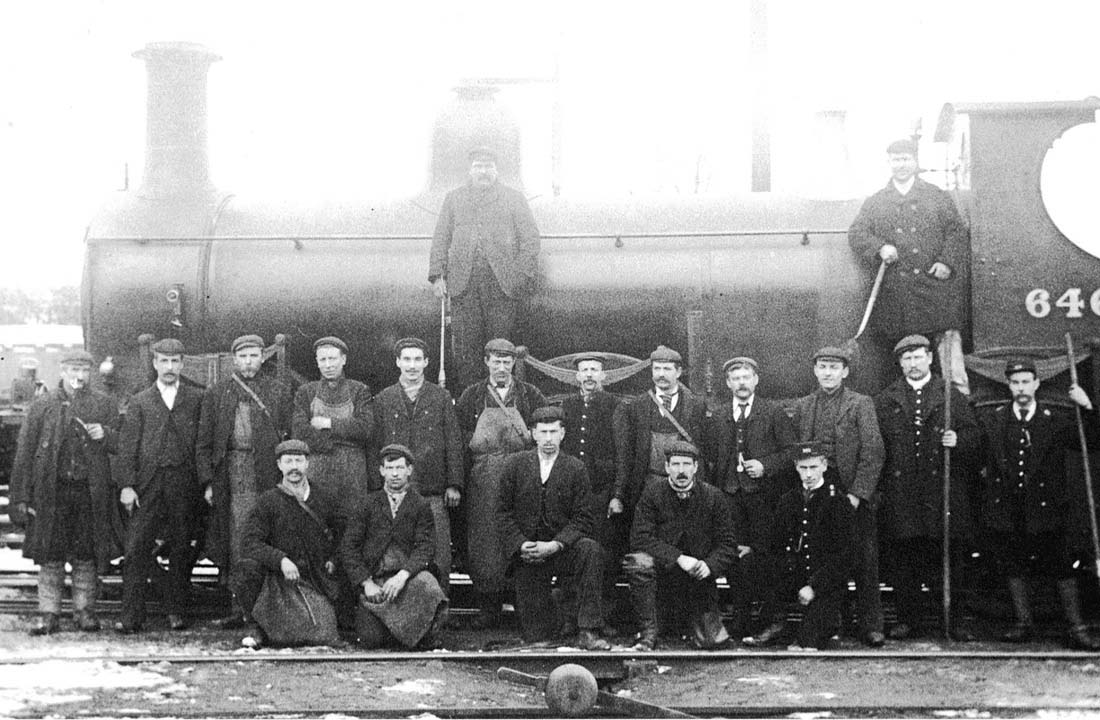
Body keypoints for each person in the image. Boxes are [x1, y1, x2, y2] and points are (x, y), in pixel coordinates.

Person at [977, 358, 1100, 650]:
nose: (1021, 388)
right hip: (1009, 506)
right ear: (1009, 385)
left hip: (1047, 507)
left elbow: (1092, 441)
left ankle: (1076, 627)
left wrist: (1088, 407)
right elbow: (980, 456)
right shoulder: (994, 419)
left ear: (1036, 384)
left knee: (1060, 566)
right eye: (1015, 383)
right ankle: (1023, 622)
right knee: (1014, 564)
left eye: (1025, 382)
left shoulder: (1054, 418)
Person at [874, 334, 980, 640]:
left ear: (930, 359)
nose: (912, 363)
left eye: (918, 356)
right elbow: (878, 448)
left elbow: (975, 438)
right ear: (900, 363)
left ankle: (953, 620)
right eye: (906, 359)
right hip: (903, 494)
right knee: (905, 561)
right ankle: (909, 620)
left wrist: (959, 441)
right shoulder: (886, 399)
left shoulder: (951, 396)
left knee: (948, 560)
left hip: (942, 493)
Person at [10, 349, 122, 635]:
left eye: (84, 370)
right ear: (62, 371)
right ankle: (49, 613)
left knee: (86, 553)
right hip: (52, 492)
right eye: (73, 370)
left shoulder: (104, 405)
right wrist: (22, 496)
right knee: (50, 553)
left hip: (88, 492)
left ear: (91, 373)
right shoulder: (43, 405)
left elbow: (123, 444)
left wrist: (106, 435)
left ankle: (84, 611)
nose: (79, 376)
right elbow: (25, 452)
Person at [848, 138, 970, 394]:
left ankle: (957, 412)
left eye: (905, 159)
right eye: (895, 159)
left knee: (949, 360)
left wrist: (946, 262)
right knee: (896, 363)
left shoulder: (937, 197)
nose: (901, 164)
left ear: (915, 162)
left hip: (933, 293)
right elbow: (857, 233)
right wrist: (879, 247)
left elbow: (956, 232)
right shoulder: (876, 201)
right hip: (896, 297)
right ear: (889, 162)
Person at [792, 345, 886, 647]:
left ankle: (871, 625)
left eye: (834, 367)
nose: (828, 372)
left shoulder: (861, 403)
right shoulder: (805, 405)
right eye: (822, 366)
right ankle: (834, 622)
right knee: (826, 559)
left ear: (845, 372)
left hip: (850, 490)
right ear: (815, 371)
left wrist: (857, 495)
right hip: (818, 490)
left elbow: (873, 452)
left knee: (863, 559)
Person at [197, 334, 293, 627]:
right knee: (236, 540)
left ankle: (266, 609)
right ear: (234, 360)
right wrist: (208, 482)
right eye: (243, 356)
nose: (249, 362)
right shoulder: (217, 393)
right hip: (232, 474)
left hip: (266, 472)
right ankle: (237, 608)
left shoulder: (278, 392)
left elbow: (290, 436)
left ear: (263, 357)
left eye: (254, 356)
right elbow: (203, 443)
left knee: (267, 536)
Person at [497, 406, 610, 650]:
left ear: (563, 434)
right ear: (533, 434)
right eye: (543, 432)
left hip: (561, 548)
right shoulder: (515, 465)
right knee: (538, 637)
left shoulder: (575, 468)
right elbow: (502, 513)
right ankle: (556, 620)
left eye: (553, 432)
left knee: (590, 551)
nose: (548, 439)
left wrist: (557, 544)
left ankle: (588, 630)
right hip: (529, 552)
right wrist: (520, 544)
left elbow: (583, 517)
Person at [428, 146, 541, 388]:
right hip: (463, 286)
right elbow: (440, 237)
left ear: (496, 170)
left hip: (501, 287)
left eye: (488, 166)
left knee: (500, 347)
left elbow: (531, 238)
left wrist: (519, 275)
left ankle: (500, 401)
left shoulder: (513, 198)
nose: (484, 171)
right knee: (466, 351)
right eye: (479, 166)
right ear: (470, 170)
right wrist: (437, 275)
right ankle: (471, 409)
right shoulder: (454, 198)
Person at [454, 338, 548, 628]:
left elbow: (544, 434)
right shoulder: (472, 395)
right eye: (496, 361)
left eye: (507, 362)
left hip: (522, 475)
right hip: (484, 476)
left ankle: (524, 607)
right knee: (485, 541)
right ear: (486, 362)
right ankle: (489, 608)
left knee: (520, 536)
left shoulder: (530, 394)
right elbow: (460, 440)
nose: (502, 367)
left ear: (514, 364)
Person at [115, 338, 205, 633]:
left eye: (174, 361)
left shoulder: (196, 397)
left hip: (183, 483)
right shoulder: (140, 400)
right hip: (148, 485)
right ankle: (131, 616)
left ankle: (176, 611)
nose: (169, 367)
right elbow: (128, 448)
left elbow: (203, 443)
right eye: (163, 361)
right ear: (154, 363)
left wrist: (204, 482)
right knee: (137, 547)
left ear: (182, 363)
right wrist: (127, 485)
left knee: (182, 547)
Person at [703, 355, 796, 639]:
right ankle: (742, 619)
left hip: (763, 500)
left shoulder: (773, 412)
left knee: (764, 557)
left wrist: (765, 465)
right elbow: (710, 457)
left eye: (746, 377)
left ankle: (773, 620)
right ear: (728, 383)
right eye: (736, 378)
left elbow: (792, 453)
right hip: (729, 497)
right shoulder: (718, 415)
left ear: (755, 380)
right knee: (733, 558)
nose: (741, 383)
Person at [625, 441, 739, 650]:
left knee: (712, 642)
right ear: (666, 467)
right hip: (663, 571)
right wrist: (678, 557)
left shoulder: (713, 497)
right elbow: (640, 537)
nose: (681, 470)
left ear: (696, 467)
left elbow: (728, 544)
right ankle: (648, 634)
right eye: (675, 464)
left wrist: (709, 566)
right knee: (638, 562)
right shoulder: (652, 493)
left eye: (687, 464)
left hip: (699, 578)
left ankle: (696, 626)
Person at [372, 337, 463, 595]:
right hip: (395, 491)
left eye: (417, 360)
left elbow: (453, 441)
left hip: (432, 490)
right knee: (398, 552)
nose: (412, 366)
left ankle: (439, 613)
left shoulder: (441, 397)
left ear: (426, 362)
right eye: (406, 359)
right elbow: (375, 444)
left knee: (439, 554)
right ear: (398, 362)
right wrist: (376, 485)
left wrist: (454, 484)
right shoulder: (384, 399)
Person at [237, 440, 345, 648]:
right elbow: (250, 542)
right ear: (279, 465)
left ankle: (282, 630)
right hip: (278, 579)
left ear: (307, 464)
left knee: (322, 635)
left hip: (315, 580)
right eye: (288, 461)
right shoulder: (267, 501)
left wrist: (334, 558)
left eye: (299, 460)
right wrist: (281, 560)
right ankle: (257, 627)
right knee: (247, 568)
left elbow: (344, 534)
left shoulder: (324, 498)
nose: (294, 467)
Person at [745, 443, 854, 650]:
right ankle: (776, 623)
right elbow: (775, 544)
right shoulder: (789, 500)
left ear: (824, 465)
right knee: (759, 563)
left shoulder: (838, 502)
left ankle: (827, 624)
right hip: (795, 573)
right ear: (796, 467)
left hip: (825, 581)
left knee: (807, 644)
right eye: (803, 468)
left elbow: (847, 556)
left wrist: (814, 586)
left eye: (813, 467)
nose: (809, 474)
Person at [341, 444, 448, 649]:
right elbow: (349, 548)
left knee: (429, 586)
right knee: (370, 639)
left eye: (400, 468)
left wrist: (403, 575)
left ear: (409, 470)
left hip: (408, 580)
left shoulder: (420, 505)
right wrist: (366, 583)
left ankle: (417, 633)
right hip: (377, 582)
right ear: (381, 471)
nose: (395, 474)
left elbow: (425, 547)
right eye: (390, 469)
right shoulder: (367, 503)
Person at [560, 353, 624, 631]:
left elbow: (623, 453)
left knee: (603, 555)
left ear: (603, 376)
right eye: (584, 370)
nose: (588, 375)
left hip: (602, 491)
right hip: (573, 493)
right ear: (576, 376)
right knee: (571, 551)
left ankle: (602, 617)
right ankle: (570, 616)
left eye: (594, 370)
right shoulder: (568, 405)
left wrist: (617, 494)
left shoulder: (615, 405)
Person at [612, 346, 707, 523]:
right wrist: (619, 493)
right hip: (648, 483)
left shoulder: (696, 406)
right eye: (657, 368)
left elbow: (703, 449)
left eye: (667, 369)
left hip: (684, 482)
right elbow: (626, 454)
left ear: (678, 372)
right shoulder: (637, 406)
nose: (661, 374)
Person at [292, 336, 373, 502]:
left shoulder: (359, 390)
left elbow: (365, 429)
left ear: (343, 359)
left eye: (332, 359)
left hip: (353, 474)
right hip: (317, 469)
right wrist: (334, 442)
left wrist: (327, 424)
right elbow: (299, 431)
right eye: (323, 359)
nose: (328, 365)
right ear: (317, 362)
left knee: (353, 522)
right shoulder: (306, 392)